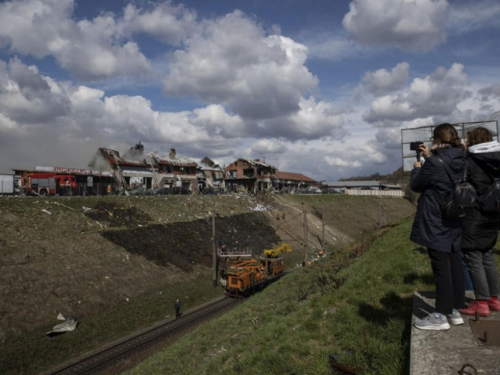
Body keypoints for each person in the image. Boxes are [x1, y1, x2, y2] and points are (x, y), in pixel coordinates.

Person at [410, 123, 467, 331]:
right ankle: (454, 310)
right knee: (454, 262)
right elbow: (447, 176)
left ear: (437, 140)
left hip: (436, 218)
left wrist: (418, 168)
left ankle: (440, 315)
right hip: (454, 215)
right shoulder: (462, 158)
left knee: (441, 267)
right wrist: (431, 157)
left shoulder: (434, 163)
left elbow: (417, 186)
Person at [459, 127, 500, 317]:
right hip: (493, 214)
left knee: (474, 258)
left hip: (474, 215)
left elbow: (463, 181)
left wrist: (463, 152)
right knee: (488, 256)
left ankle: (481, 302)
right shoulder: (497, 158)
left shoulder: (472, 159)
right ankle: (494, 298)